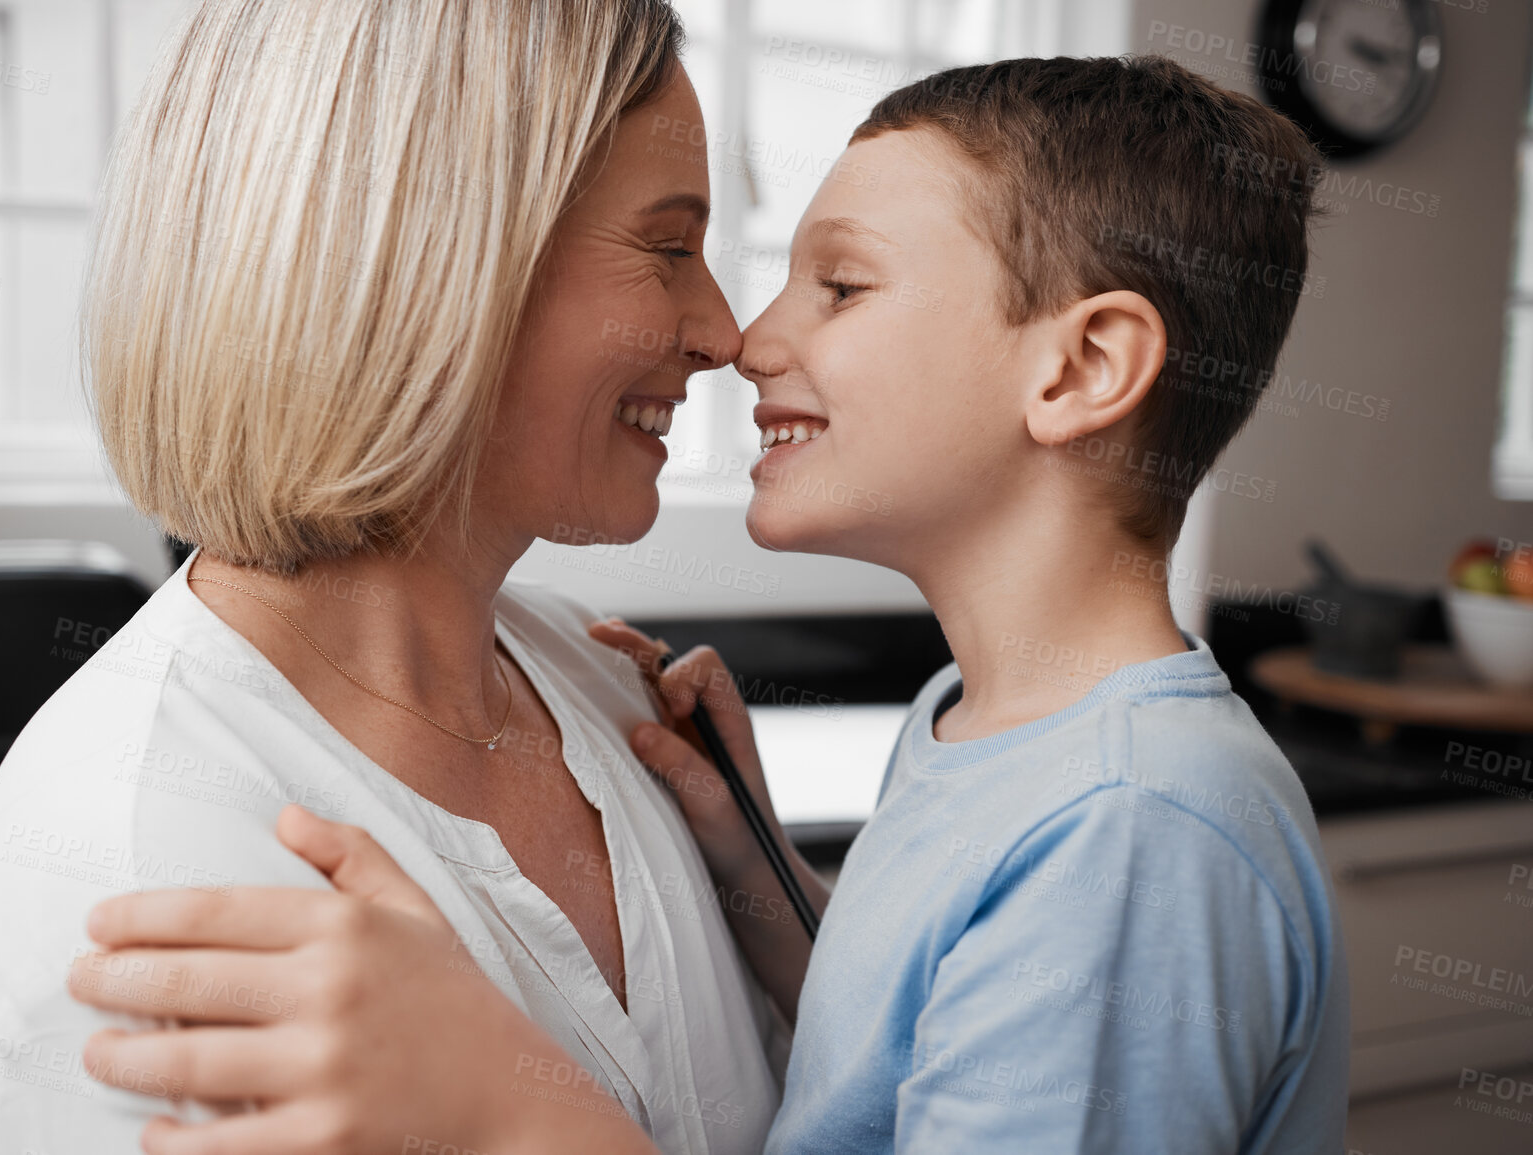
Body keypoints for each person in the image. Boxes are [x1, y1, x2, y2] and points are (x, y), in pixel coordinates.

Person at [67, 53, 1351, 1155]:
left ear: (1081, 367)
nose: (748, 336)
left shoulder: (1131, 834)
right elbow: (906, 1057)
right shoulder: (984, 723)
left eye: (840, 287)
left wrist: (505, 1106)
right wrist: (757, 872)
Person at [0, 2, 788, 1152]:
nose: (724, 331)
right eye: (670, 247)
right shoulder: (136, 857)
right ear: (428, 262)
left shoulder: (607, 686)